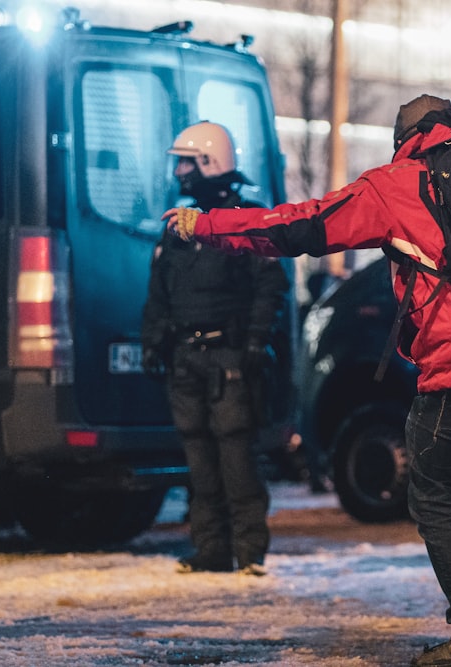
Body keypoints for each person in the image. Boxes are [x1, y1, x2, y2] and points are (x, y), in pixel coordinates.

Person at [162, 95, 451, 666]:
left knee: (432, 488)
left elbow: (305, 225)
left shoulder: (398, 185)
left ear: (405, 138)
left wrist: (213, 226)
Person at [141, 121, 289, 576]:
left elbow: (269, 289)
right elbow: (159, 293)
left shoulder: (248, 219)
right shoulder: (179, 227)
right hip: (187, 358)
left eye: (187, 161)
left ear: (211, 162)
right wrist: (153, 343)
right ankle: (210, 550)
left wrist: (252, 344)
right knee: (199, 461)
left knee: (236, 457)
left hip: (229, 358)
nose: (180, 171)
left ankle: (249, 554)